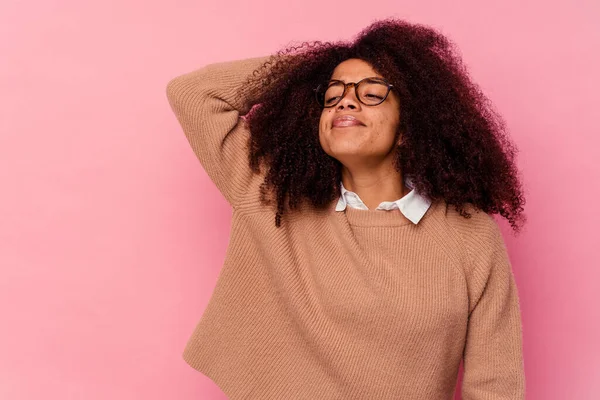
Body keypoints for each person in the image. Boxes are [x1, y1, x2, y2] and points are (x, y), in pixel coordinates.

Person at [166, 17, 527, 400]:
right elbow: (193, 94)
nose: (346, 101)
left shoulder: (469, 236)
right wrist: (315, 68)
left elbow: (496, 387)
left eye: (371, 93)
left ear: (410, 125)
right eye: (332, 95)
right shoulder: (271, 197)